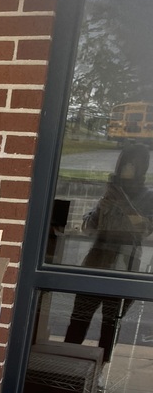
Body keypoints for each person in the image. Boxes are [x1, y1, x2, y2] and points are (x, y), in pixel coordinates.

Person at [64, 143, 153, 362]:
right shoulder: (110, 192)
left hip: (125, 264)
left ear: (142, 167)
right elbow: (89, 227)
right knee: (79, 318)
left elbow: (144, 229)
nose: (127, 168)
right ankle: (64, 365)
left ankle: (101, 371)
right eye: (125, 163)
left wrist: (121, 202)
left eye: (133, 163)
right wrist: (104, 203)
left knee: (111, 323)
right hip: (96, 261)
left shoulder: (147, 196)